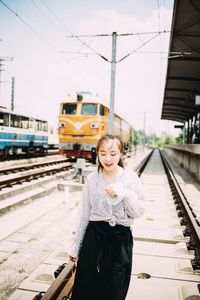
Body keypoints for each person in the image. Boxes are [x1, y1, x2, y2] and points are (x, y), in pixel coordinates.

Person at [68, 134, 146, 300]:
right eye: (102, 154)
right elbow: (83, 213)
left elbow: (138, 212)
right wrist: (75, 246)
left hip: (120, 239)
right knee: (86, 285)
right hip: (94, 237)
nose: (107, 158)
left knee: (115, 287)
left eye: (113, 153)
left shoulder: (130, 177)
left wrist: (123, 193)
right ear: (97, 153)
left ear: (120, 153)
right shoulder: (91, 179)